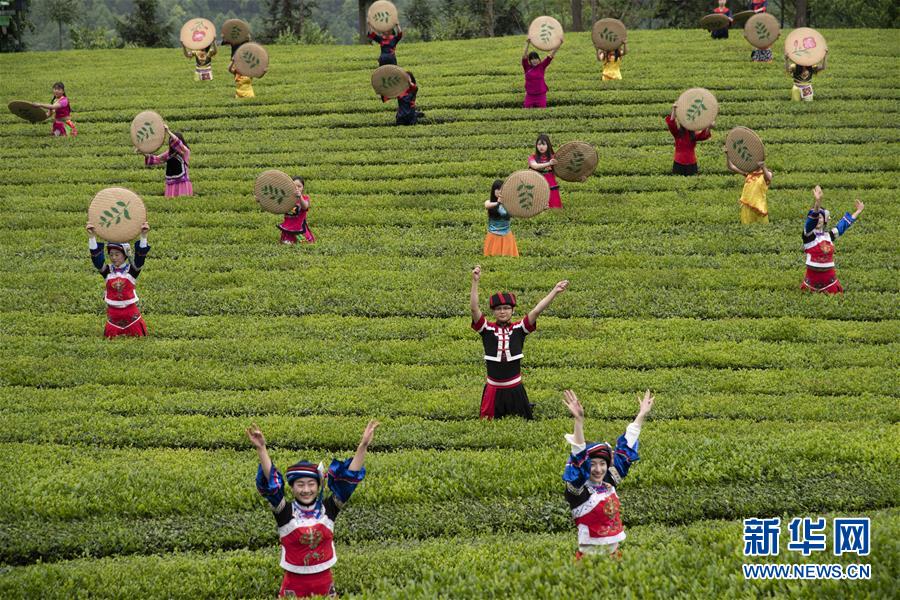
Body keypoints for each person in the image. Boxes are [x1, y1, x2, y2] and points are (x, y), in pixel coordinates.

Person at [248, 420, 378, 598]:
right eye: (300, 485)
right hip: (294, 583)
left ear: (318, 486)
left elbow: (348, 482)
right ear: (292, 488)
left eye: (311, 484)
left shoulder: (328, 509)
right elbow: (272, 484)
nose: (306, 490)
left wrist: (363, 446)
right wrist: (261, 449)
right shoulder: (285, 512)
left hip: (324, 582)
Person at [562, 389, 654, 560]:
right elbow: (579, 460)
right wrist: (578, 422)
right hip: (588, 561)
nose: (598, 469)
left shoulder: (608, 481)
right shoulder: (578, 491)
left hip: (614, 556)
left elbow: (625, 450)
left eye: (602, 464)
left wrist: (641, 415)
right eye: (593, 465)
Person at [470, 265, 568, 419]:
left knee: (524, 422)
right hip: (493, 391)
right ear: (493, 312)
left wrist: (554, 291)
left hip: (516, 389)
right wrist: (475, 281)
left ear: (512, 310)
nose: (502, 311)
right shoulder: (486, 328)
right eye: (499, 309)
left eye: (506, 308)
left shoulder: (519, 328)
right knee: (488, 425)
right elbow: (474, 309)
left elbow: (536, 311)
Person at [87, 221, 151, 338]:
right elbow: (96, 259)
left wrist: (143, 236)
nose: (114, 258)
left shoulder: (132, 270)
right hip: (113, 315)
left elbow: (141, 257)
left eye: (117, 254)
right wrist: (92, 236)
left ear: (125, 255)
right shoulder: (107, 271)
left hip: (131, 315)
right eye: (111, 255)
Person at [801, 186, 864, 294]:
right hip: (811, 281)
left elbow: (842, 226)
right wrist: (817, 202)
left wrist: (858, 211)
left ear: (825, 220)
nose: (817, 220)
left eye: (820, 217)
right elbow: (811, 220)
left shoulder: (828, 236)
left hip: (829, 280)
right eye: (816, 217)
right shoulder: (808, 235)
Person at [143, 125, 193, 197]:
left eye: (173, 141)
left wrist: (168, 131)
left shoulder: (185, 152)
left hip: (182, 183)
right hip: (171, 184)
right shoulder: (169, 153)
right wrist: (142, 152)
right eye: (171, 141)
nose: (172, 143)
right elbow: (157, 159)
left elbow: (180, 145)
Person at [665, 104, 713, 176]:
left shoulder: (693, 135)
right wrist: (674, 110)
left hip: (691, 164)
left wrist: (709, 127)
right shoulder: (677, 133)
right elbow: (672, 124)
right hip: (678, 163)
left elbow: (704, 135)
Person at [726, 157, 773, 224]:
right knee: (747, 226)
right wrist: (728, 155)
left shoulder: (765, 174)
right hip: (747, 205)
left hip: (759, 206)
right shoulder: (749, 174)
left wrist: (763, 167)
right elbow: (731, 167)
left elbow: (769, 178)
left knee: (762, 227)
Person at [522, 38, 562, 108]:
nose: (534, 60)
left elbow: (550, 56)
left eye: (536, 58)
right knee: (526, 112)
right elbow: (524, 56)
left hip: (541, 95)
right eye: (532, 59)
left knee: (542, 112)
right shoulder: (527, 67)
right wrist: (527, 43)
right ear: (530, 61)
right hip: (530, 95)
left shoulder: (541, 66)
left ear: (539, 59)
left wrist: (559, 44)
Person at [483, 179, 518, 257]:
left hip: (507, 236)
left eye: (502, 189)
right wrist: (498, 203)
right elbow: (486, 205)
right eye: (498, 189)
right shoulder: (490, 202)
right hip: (493, 236)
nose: (500, 191)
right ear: (493, 191)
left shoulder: (509, 204)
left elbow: (517, 213)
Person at [278, 176, 316, 244]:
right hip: (288, 227)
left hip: (299, 227)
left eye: (299, 186)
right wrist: (262, 200)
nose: (297, 188)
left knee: (305, 243)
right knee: (286, 244)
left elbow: (305, 206)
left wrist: (300, 197)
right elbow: (274, 205)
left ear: (303, 188)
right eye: (294, 186)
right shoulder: (286, 199)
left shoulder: (305, 198)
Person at [528, 134, 562, 208]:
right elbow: (535, 166)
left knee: (555, 208)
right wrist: (549, 163)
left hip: (552, 186)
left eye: (543, 144)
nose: (541, 147)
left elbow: (563, 170)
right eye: (539, 144)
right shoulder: (532, 157)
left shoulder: (553, 157)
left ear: (548, 145)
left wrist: (577, 177)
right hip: (538, 186)